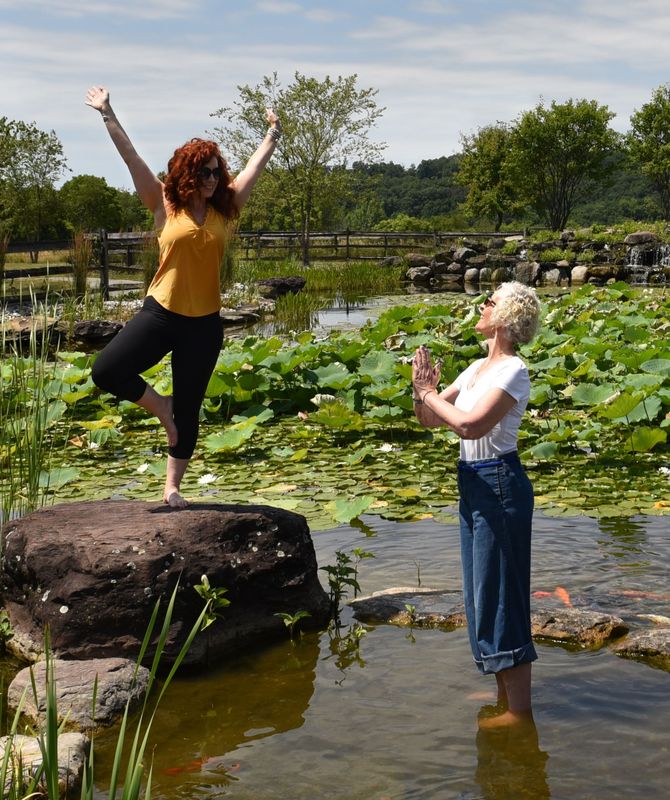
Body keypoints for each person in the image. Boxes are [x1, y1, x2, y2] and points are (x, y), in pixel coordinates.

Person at [85, 86, 281, 508]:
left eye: (216, 172)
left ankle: (172, 487)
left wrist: (272, 135)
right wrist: (107, 112)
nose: (213, 179)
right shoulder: (163, 203)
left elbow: (251, 170)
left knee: (189, 411)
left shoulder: (224, 211)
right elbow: (131, 157)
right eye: (205, 172)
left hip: (204, 325)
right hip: (161, 314)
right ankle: (162, 407)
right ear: (187, 174)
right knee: (107, 370)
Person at [412, 281, 542, 728]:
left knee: (503, 591)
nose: (482, 306)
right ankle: (502, 691)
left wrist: (430, 396)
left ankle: (520, 712)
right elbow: (431, 419)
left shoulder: (514, 371)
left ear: (506, 317)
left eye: (489, 301)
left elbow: (469, 427)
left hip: (500, 482)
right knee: (481, 592)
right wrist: (421, 390)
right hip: (472, 482)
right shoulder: (474, 369)